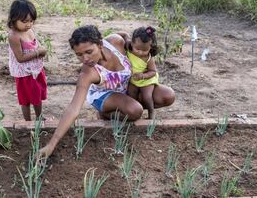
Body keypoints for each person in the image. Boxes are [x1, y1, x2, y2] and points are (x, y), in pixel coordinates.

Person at [38, 25, 175, 158]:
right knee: (135, 111)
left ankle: (125, 105)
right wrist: (52, 143)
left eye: (89, 52)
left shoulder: (115, 42)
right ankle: (104, 113)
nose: (85, 59)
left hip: (126, 89)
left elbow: (122, 35)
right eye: (79, 55)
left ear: (100, 44)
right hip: (104, 96)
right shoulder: (88, 73)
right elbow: (73, 108)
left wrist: (127, 39)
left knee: (168, 96)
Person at [8, 0, 47, 121]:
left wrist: (41, 49)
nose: (28, 24)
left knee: (37, 95)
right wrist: (38, 52)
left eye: (31, 21)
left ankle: (39, 117)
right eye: (24, 21)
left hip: (35, 70)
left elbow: (35, 45)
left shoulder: (29, 31)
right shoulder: (14, 36)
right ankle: (27, 121)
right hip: (24, 73)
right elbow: (20, 58)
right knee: (25, 100)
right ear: (14, 19)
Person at [126, 26, 159, 119]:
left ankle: (151, 111)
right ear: (132, 43)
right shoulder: (128, 49)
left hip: (146, 79)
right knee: (131, 94)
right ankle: (133, 112)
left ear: (150, 47)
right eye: (138, 49)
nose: (140, 52)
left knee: (147, 96)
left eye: (145, 50)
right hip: (133, 79)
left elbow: (153, 72)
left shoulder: (148, 58)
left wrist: (143, 75)